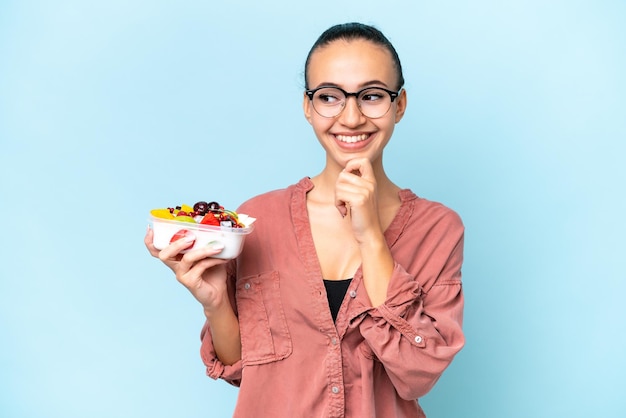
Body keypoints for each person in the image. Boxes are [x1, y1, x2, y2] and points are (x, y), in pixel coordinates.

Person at [145, 22, 465, 418]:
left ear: (398, 105)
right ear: (308, 107)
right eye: (329, 97)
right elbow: (244, 368)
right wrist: (215, 305)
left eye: (371, 96)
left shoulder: (438, 229)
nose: (350, 117)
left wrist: (370, 238)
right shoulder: (260, 220)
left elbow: (418, 373)